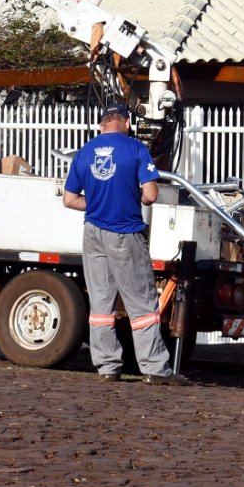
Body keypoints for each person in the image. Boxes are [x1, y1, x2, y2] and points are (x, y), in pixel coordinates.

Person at [62, 104, 180, 383]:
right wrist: (126, 197)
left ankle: (107, 367)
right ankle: (154, 369)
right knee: (141, 303)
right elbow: (150, 195)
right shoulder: (136, 149)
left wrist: (100, 202)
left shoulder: (85, 152)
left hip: (92, 233)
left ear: (102, 123)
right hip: (125, 234)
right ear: (126, 122)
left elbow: (68, 199)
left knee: (101, 303)